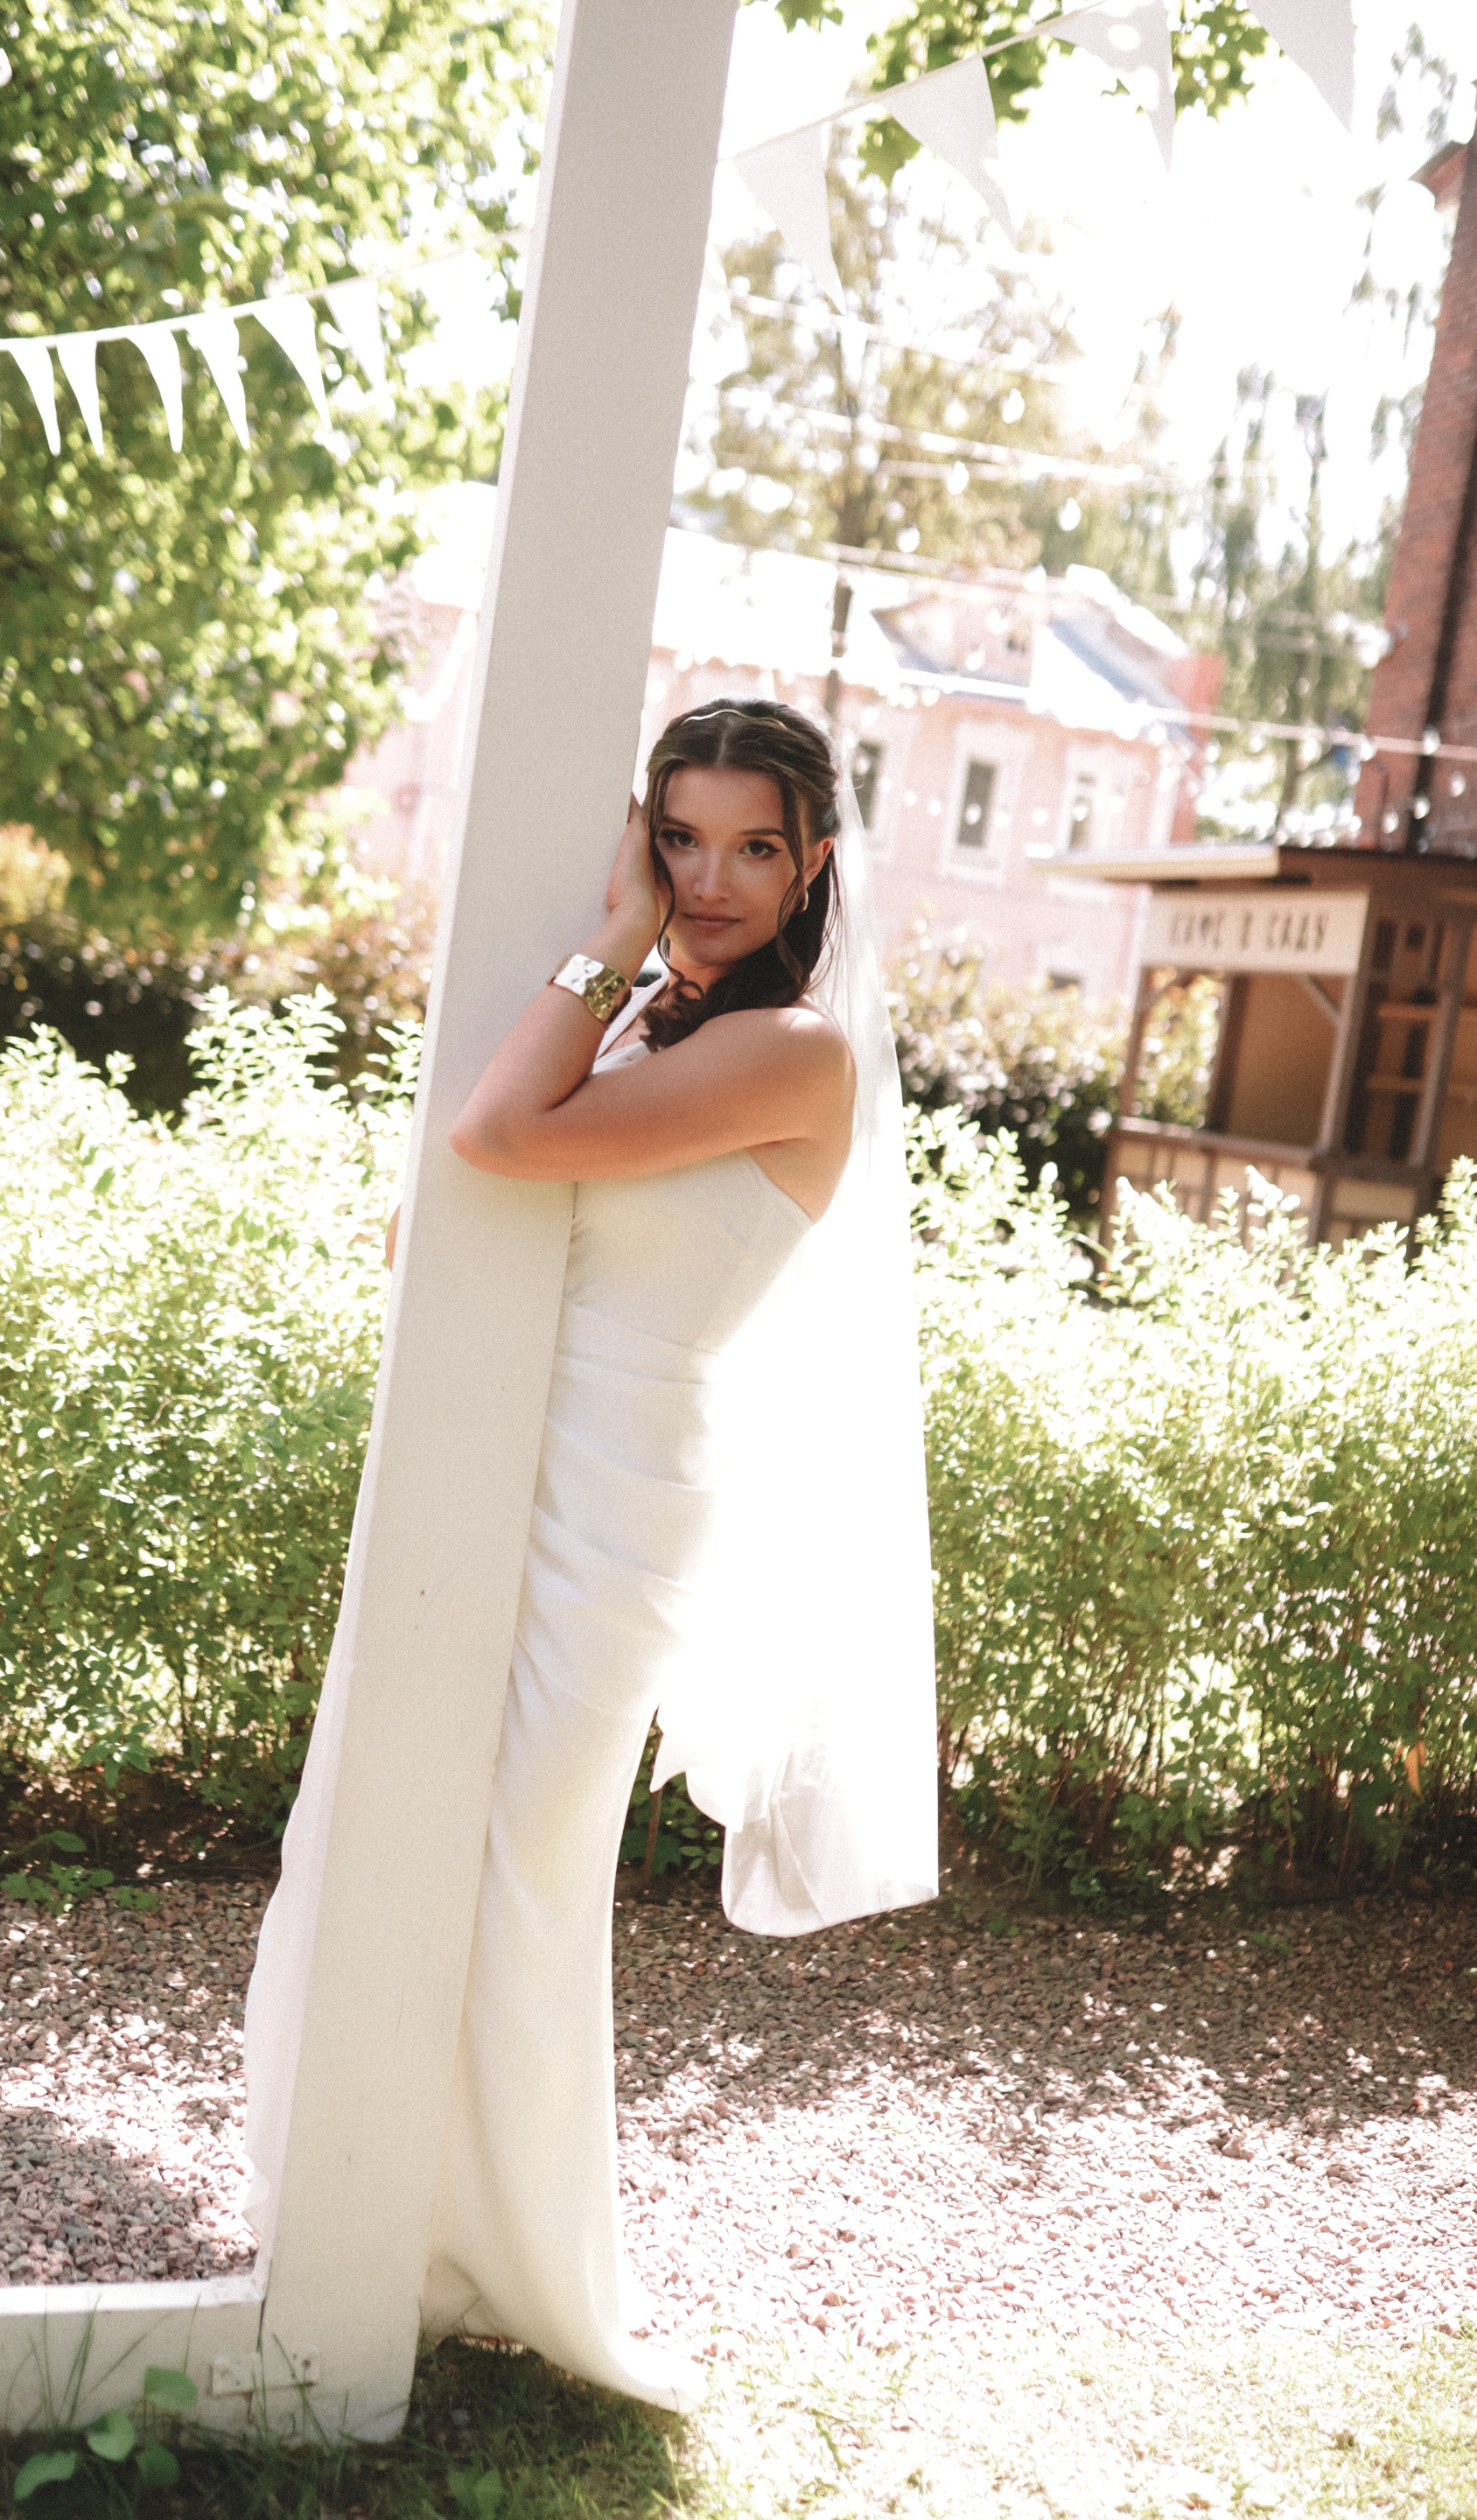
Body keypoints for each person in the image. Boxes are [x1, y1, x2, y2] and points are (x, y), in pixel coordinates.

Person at [245, 698, 935, 2416]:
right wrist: (614, 980)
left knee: (524, 1872)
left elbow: (500, 1141)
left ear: (814, 864)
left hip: (618, 1499)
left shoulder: (797, 1056)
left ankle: (522, 2266)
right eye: (677, 839)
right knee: (393, 1823)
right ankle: (362, 2219)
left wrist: (612, 935)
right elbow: (434, 1222)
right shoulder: (638, 1030)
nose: (711, 878)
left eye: (753, 846)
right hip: (486, 1465)